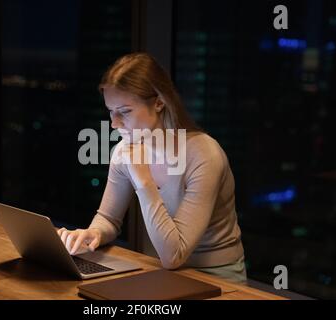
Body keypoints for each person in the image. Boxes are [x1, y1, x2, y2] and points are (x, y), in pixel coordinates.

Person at [57, 53, 247, 285]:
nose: (114, 123)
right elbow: (108, 219)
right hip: (164, 274)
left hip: (219, 280)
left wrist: (143, 181)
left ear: (158, 102)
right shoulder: (124, 151)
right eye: (110, 111)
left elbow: (174, 255)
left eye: (125, 112)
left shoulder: (204, 154)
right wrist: (92, 233)